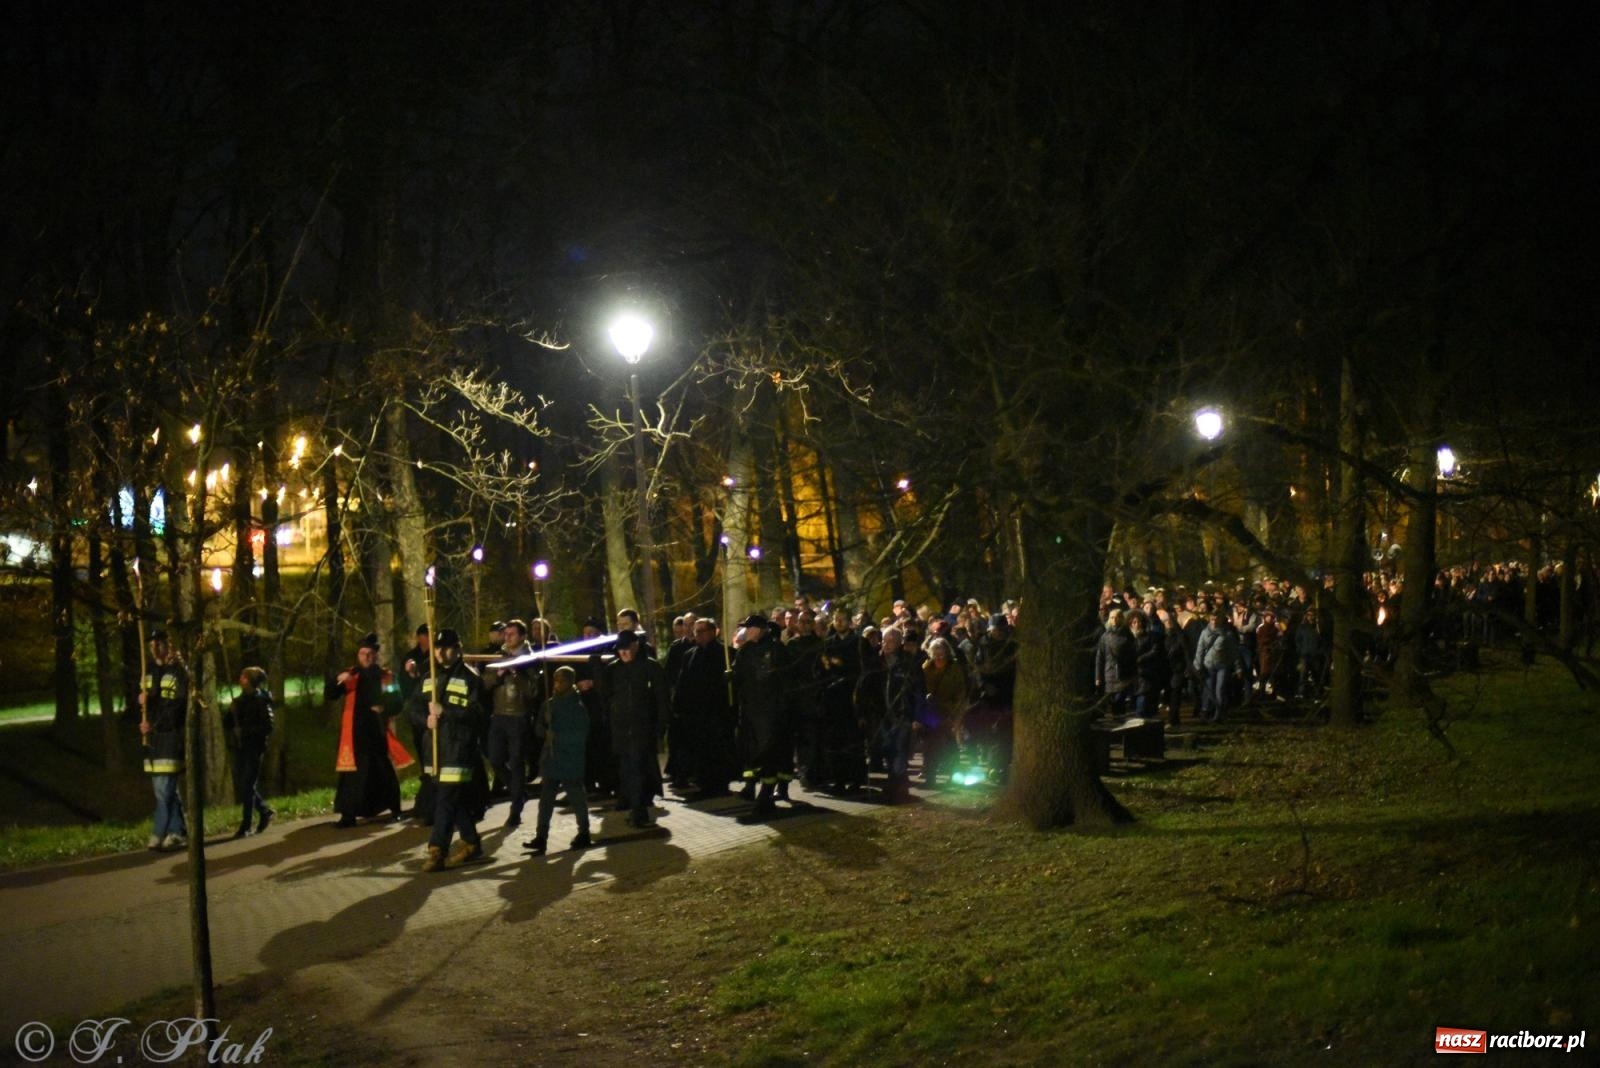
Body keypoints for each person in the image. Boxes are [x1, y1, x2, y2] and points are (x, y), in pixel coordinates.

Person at [423, 629, 489, 872]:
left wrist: (446, 713)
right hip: (435, 749)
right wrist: (425, 720)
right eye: (437, 648)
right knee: (452, 799)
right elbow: (414, 708)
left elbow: (478, 715)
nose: (441, 652)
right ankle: (471, 842)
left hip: (459, 748)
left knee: (445, 799)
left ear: (458, 648)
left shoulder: (471, 679)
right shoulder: (429, 676)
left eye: (447, 647)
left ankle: (437, 849)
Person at [326, 632, 403, 827]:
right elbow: (331, 694)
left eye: (369, 653)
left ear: (376, 655)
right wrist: (337, 678)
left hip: (377, 733)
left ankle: (395, 809)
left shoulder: (386, 677)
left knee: (383, 771)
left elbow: (397, 703)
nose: (366, 657)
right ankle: (348, 815)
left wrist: (384, 707)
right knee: (351, 776)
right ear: (358, 655)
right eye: (362, 653)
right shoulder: (351, 675)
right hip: (354, 735)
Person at [603, 628, 670, 827]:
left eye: (628, 648)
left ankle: (639, 809)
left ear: (636, 645)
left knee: (638, 768)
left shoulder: (650, 668)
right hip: (622, 728)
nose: (624, 653)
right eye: (621, 649)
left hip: (642, 727)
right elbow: (607, 698)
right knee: (627, 769)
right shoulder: (614, 670)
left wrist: (660, 726)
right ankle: (636, 806)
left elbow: (662, 699)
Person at [524, 667, 593, 855]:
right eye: (555, 680)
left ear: (570, 682)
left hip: (570, 757)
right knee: (545, 800)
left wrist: (559, 736)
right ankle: (541, 836)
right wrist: (545, 729)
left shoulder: (577, 706)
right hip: (552, 758)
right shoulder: (549, 704)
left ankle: (584, 832)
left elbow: (581, 733)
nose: (557, 684)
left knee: (577, 797)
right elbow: (538, 729)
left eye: (561, 681)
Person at [732, 613, 795, 818]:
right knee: (753, 753)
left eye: (750, 628)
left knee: (769, 754)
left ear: (760, 629)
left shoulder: (777, 650)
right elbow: (740, 676)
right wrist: (731, 676)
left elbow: (785, 681)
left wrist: (781, 709)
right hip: (750, 711)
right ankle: (752, 787)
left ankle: (766, 794)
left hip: (770, 712)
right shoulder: (746, 650)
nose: (746, 632)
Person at [672, 616, 738, 799]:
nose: (697, 635)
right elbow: (682, 682)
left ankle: (720, 783)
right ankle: (704, 782)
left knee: (718, 749)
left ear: (712, 632)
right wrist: (678, 705)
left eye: (701, 631)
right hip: (696, 713)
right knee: (701, 750)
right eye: (696, 632)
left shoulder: (725, 653)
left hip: (717, 712)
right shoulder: (690, 655)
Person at [482, 618, 535, 828]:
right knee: (495, 758)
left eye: (512, 634)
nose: (508, 637)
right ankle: (518, 791)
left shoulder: (530, 659)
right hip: (499, 714)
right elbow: (485, 683)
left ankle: (515, 809)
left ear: (522, 637)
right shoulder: (499, 656)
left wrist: (517, 674)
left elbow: (534, 691)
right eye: (506, 634)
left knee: (516, 760)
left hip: (518, 716)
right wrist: (498, 674)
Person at [140, 629, 188, 851]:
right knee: (164, 788)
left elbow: (176, 707)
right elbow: (146, 705)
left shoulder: (178, 672)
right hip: (153, 739)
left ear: (169, 645)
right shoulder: (150, 672)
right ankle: (177, 831)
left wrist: (155, 724)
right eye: (152, 645)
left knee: (164, 788)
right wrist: (141, 709)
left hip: (170, 736)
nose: (155, 649)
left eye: (160, 644)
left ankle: (159, 832)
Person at [223, 666, 275, 839]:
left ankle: (246, 824)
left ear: (251, 681)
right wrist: (231, 714)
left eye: (244, 677)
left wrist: (245, 731)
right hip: (241, 747)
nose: (240, 680)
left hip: (255, 747)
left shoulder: (262, 701)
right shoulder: (238, 701)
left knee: (247, 784)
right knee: (244, 784)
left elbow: (267, 727)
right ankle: (264, 810)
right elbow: (228, 723)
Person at [920, 636, 968, 787]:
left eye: (941, 655)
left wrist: (954, 712)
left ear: (947, 653)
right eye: (935, 655)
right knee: (929, 745)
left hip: (948, 712)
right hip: (931, 712)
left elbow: (961, 692)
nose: (938, 658)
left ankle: (953, 775)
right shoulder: (926, 668)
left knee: (949, 745)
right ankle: (930, 777)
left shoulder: (955, 669)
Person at [399, 624, 436, 824]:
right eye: (425, 635)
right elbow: (403, 682)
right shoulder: (410, 656)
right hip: (418, 710)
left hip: (431, 710)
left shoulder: (435, 655)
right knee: (423, 753)